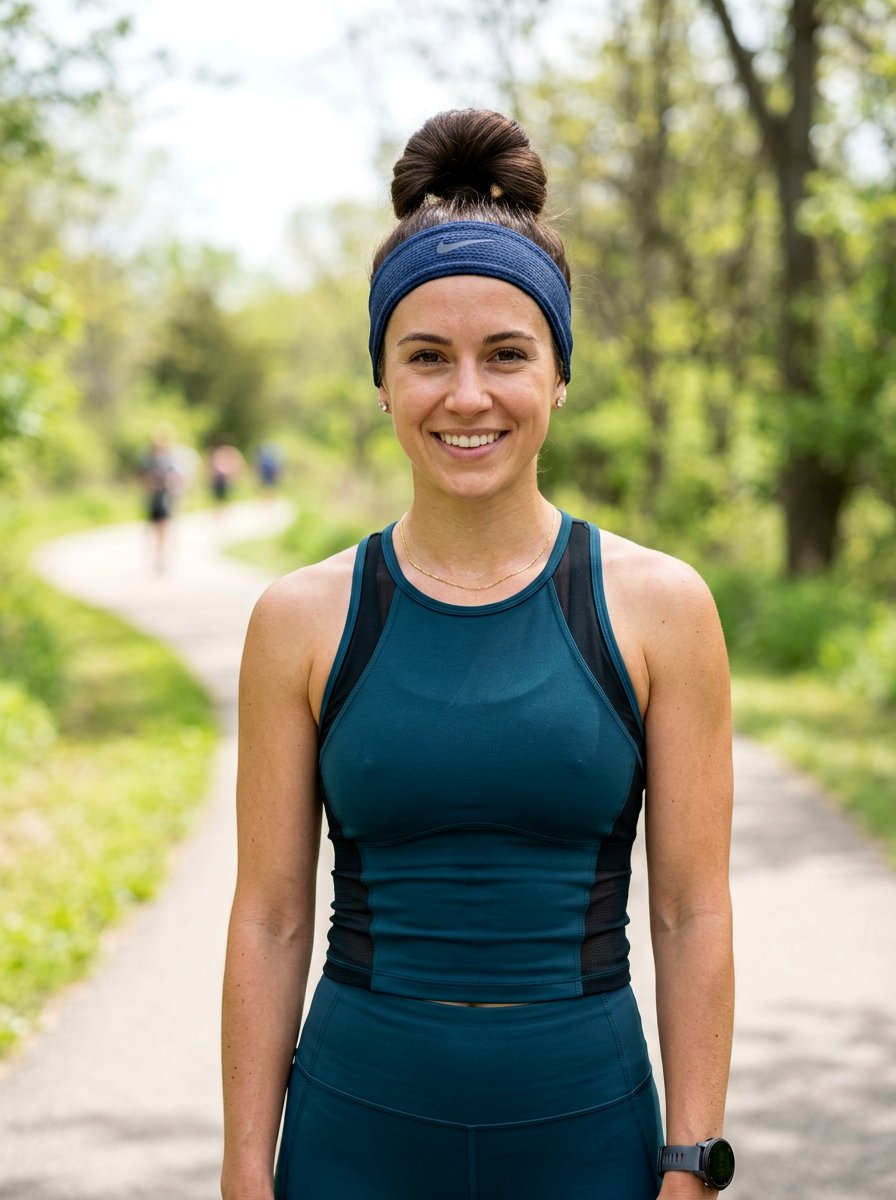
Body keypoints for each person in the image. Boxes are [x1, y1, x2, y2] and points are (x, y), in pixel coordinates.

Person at [221, 109, 734, 1200]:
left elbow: (691, 910)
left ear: (556, 377)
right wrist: (242, 1173)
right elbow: (269, 915)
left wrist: (690, 1164)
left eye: (506, 354)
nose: (466, 395)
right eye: (424, 358)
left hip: (585, 1131)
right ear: (381, 382)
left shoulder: (656, 610)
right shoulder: (302, 620)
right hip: (354, 1131)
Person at [137, 424, 182, 572]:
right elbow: (141, 475)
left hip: (165, 495)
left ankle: (161, 555)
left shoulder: (171, 457)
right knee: (153, 526)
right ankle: (155, 554)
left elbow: (177, 476)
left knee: (164, 525)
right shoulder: (147, 456)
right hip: (152, 495)